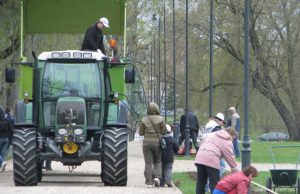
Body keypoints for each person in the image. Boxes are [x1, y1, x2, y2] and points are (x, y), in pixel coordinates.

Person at [195, 127, 238, 194]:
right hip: (211, 159)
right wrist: (234, 168)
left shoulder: (212, 134)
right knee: (214, 185)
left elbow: (202, 143)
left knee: (200, 183)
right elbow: (229, 155)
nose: (232, 140)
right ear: (230, 134)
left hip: (200, 157)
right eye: (233, 138)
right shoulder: (226, 139)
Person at [139, 102, 167, 187]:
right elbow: (164, 131)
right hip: (157, 143)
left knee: (148, 163)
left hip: (146, 143)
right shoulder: (161, 119)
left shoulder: (144, 119)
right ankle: (156, 177)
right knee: (158, 161)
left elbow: (140, 133)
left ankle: (149, 182)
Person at [0, 106, 13, 172]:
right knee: (3, 153)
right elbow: (11, 130)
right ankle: (2, 166)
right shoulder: (7, 119)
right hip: (6, 139)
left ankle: (2, 163)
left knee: (1, 154)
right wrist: (11, 140)